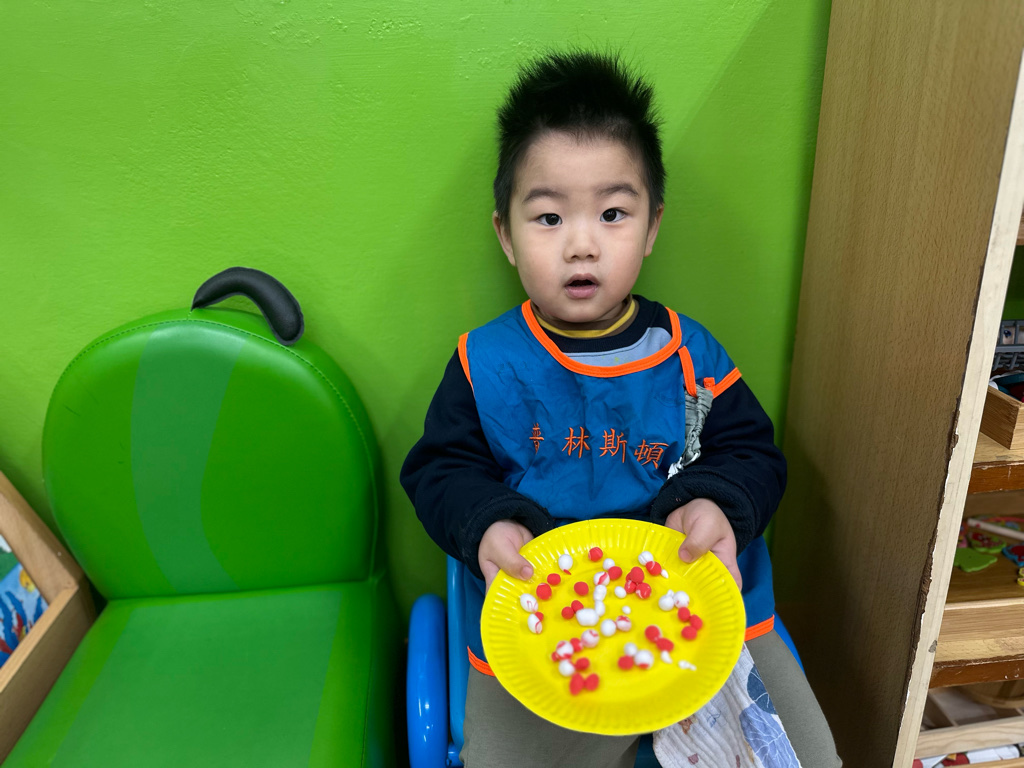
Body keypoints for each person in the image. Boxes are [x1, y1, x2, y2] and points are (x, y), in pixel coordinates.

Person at [401, 51, 839, 768]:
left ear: (652, 226)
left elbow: (752, 454)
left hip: (692, 606)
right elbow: (440, 470)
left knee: (806, 758)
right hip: (543, 624)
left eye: (612, 213)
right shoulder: (485, 363)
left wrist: (718, 506)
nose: (582, 244)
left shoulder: (692, 354)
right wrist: (487, 522)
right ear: (506, 234)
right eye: (549, 217)